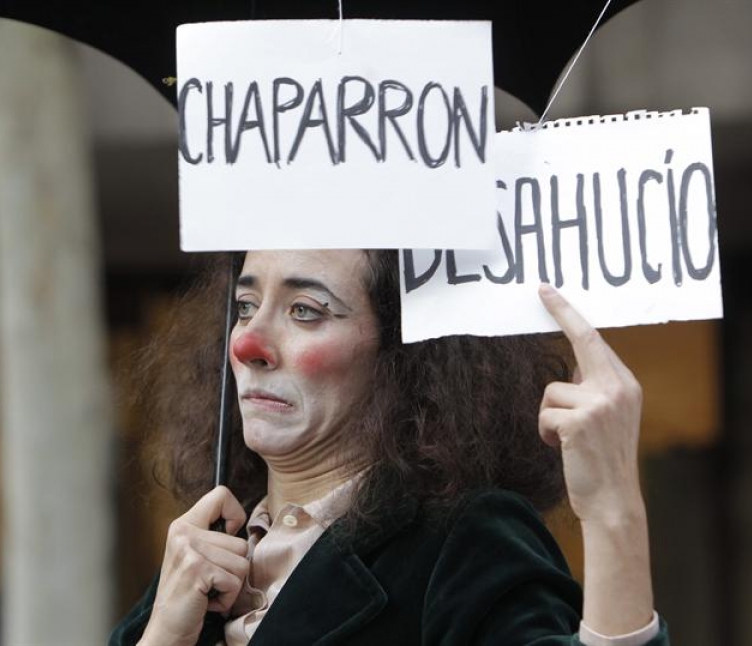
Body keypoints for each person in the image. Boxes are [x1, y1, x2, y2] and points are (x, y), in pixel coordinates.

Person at [110, 249, 669, 646]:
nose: (248, 343)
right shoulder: (197, 559)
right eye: (245, 305)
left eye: (306, 310)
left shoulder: (465, 542)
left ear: (402, 356)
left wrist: (613, 511)